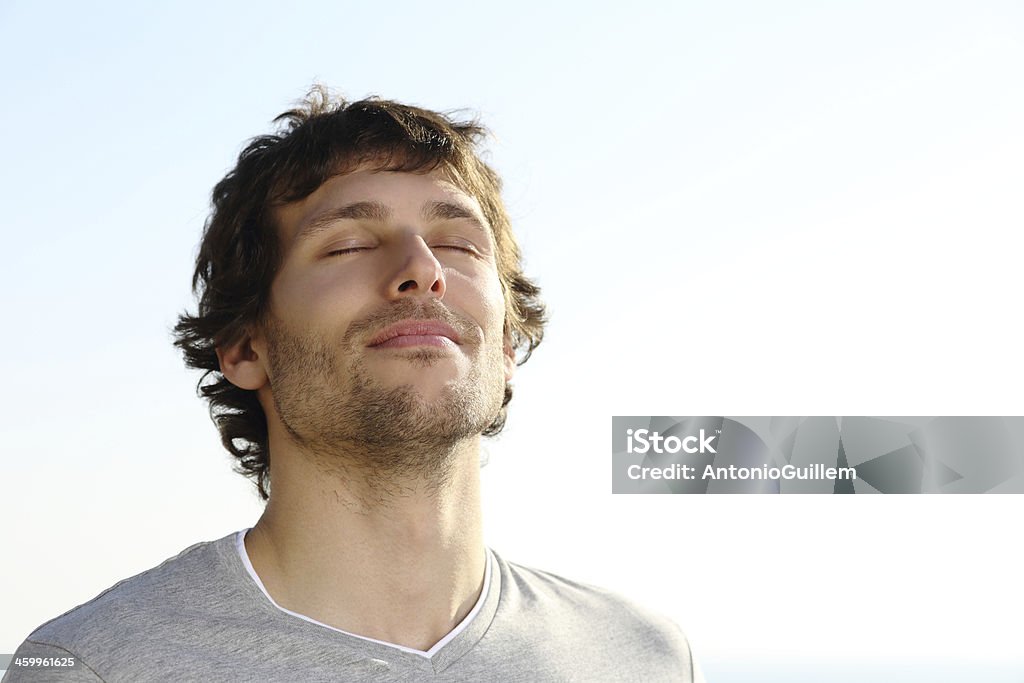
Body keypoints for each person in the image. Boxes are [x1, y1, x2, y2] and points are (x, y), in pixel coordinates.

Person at [5, 88, 702, 682]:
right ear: (247, 346)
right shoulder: (94, 665)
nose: (423, 268)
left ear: (509, 342)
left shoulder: (642, 657)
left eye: (459, 244)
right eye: (347, 244)